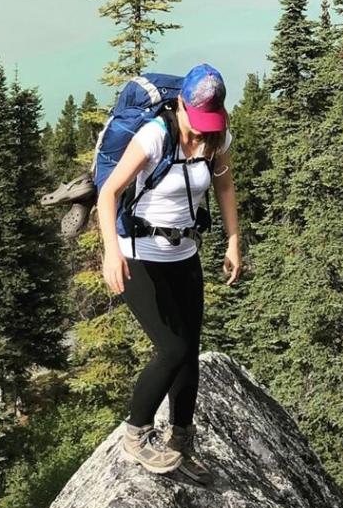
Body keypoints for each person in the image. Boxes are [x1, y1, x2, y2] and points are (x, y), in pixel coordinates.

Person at [97, 63, 242, 484]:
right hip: (140, 255)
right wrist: (111, 252)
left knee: (190, 352)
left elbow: (225, 187)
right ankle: (136, 434)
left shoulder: (216, 136)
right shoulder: (155, 136)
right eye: (195, 123)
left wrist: (233, 241)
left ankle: (181, 442)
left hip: (184, 253)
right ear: (181, 105)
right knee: (172, 348)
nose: (200, 134)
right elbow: (110, 192)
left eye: (208, 124)